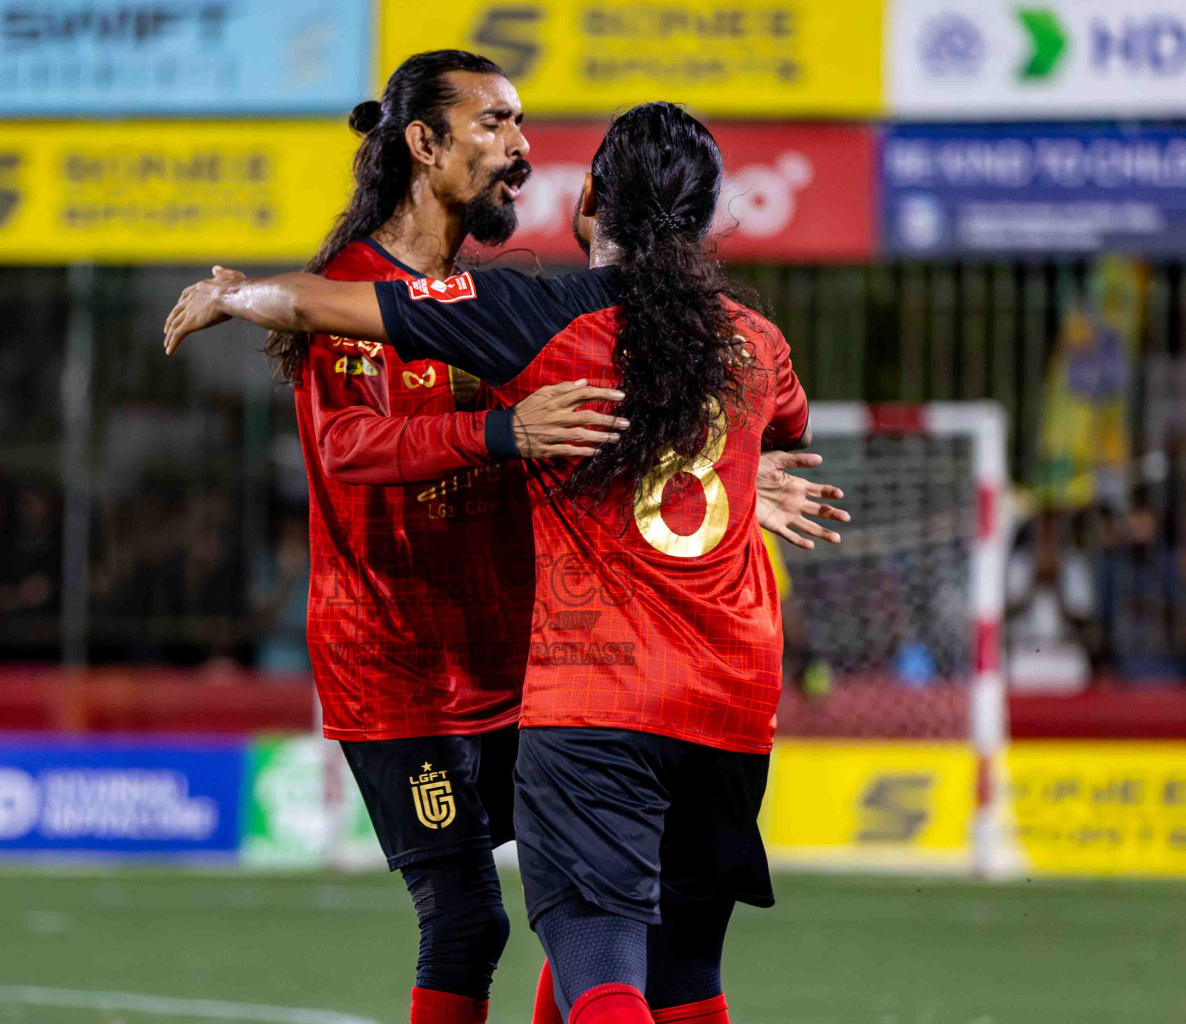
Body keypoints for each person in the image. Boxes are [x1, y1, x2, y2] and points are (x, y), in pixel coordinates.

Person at [165, 102, 842, 1024]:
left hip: (595, 696)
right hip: (730, 703)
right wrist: (736, 471)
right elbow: (784, 433)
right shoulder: (752, 342)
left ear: (594, 196)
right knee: (683, 975)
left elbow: (323, 303)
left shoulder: (535, 314)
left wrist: (232, 294)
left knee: (595, 955)